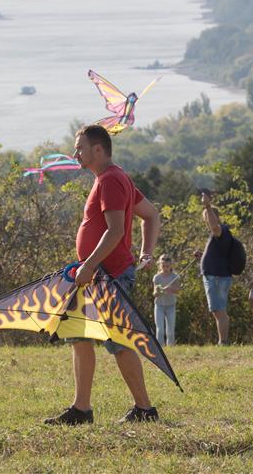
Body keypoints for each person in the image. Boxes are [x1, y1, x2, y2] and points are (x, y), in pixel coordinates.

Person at [44, 124, 161, 425]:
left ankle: (145, 410)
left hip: (110, 276)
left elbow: (116, 231)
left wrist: (90, 265)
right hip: (94, 275)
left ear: (98, 149)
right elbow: (150, 214)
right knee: (79, 337)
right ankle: (81, 409)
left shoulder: (110, 180)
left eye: (80, 147)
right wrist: (146, 252)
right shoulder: (114, 177)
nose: (75, 153)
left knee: (119, 342)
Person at [199, 192, 233, 345]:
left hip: (217, 277)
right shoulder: (219, 234)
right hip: (216, 275)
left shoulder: (219, 230)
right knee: (219, 311)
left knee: (219, 311)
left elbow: (214, 225)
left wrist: (207, 205)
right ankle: (223, 340)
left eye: (206, 216)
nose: (205, 220)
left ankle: (223, 341)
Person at [152, 254, 181, 347]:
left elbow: (178, 291)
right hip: (159, 305)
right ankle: (160, 347)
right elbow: (154, 294)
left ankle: (171, 346)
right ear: (160, 265)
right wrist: (157, 291)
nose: (165, 268)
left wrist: (171, 288)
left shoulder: (175, 277)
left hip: (171, 305)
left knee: (170, 328)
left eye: (167, 266)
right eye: (163, 266)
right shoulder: (157, 277)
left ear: (171, 265)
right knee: (160, 329)